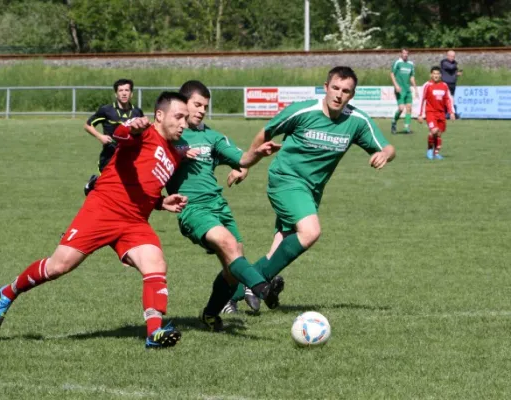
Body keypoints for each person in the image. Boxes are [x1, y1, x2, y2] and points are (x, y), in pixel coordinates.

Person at [0, 92, 197, 349]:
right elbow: (120, 136)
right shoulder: (143, 133)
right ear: (160, 115)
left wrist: (160, 202)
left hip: (134, 222)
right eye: (179, 117)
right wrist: (130, 126)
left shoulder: (175, 152)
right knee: (58, 267)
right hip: (103, 210)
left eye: (186, 119)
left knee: (155, 264)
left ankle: (154, 332)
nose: (184, 124)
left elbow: (144, 181)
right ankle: (9, 291)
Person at [228, 66, 396, 308]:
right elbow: (266, 132)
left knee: (278, 249)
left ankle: (231, 295)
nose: (339, 95)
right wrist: (244, 165)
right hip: (285, 180)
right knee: (310, 232)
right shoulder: (303, 110)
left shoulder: (357, 121)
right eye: (335, 88)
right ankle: (252, 285)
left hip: (312, 190)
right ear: (326, 88)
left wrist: (384, 155)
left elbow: (388, 148)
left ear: (352, 95)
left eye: (346, 91)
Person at [165, 80, 282, 331]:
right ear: (183, 104)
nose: (201, 111)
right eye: (196, 105)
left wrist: (257, 154)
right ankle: (261, 287)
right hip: (191, 207)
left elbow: (241, 159)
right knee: (228, 245)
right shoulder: (170, 134)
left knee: (232, 265)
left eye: (204, 107)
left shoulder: (213, 137)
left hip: (218, 205)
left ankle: (210, 314)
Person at [83, 78, 144, 195]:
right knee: (106, 185)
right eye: (121, 90)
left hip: (129, 156)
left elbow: (142, 132)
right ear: (116, 94)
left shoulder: (137, 112)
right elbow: (87, 125)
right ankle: (93, 182)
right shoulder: (106, 110)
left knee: (123, 187)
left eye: (127, 90)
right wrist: (100, 136)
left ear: (131, 94)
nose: (124, 93)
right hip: (109, 155)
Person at [418, 66, 455, 160]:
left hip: (441, 113)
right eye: (434, 73)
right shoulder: (427, 85)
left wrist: (451, 112)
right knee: (433, 131)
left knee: (438, 134)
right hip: (430, 112)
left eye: (438, 74)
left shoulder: (444, 85)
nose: (436, 75)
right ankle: (429, 150)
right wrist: (420, 114)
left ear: (440, 75)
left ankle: (436, 153)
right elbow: (422, 99)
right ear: (431, 74)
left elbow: (448, 99)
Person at [390, 48, 418, 134]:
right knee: (401, 108)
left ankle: (407, 127)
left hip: (408, 90)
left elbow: (412, 77)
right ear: (401, 54)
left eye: (407, 53)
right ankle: (394, 121)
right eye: (404, 53)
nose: (405, 55)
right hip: (400, 89)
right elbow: (391, 74)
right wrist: (396, 85)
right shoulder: (397, 63)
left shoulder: (410, 64)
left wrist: (415, 88)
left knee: (409, 108)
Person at [440, 50, 462, 118]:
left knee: (451, 98)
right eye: (451, 56)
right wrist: (456, 65)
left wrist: (457, 74)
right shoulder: (444, 62)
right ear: (448, 56)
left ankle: (450, 113)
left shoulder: (454, 63)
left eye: (454, 56)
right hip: (446, 83)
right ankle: (444, 113)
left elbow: (453, 71)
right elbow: (451, 67)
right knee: (445, 98)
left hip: (452, 83)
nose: (453, 58)